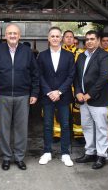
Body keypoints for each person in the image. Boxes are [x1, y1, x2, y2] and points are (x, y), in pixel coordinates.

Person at [0, 23, 39, 171]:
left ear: (19, 36)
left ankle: (19, 157)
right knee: (3, 128)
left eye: (15, 33)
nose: (12, 36)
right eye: (9, 33)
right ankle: (6, 157)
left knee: (21, 128)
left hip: (23, 95)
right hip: (3, 95)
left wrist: (34, 93)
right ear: (5, 36)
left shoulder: (27, 52)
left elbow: (35, 74)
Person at [73, 31, 108, 169]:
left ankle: (101, 155)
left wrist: (89, 94)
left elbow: (104, 77)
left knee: (101, 128)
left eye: (92, 39)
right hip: (83, 99)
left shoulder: (104, 55)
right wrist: (78, 92)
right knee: (87, 126)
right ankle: (90, 152)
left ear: (98, 41)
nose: (89, 41)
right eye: (87, 39)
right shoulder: (81, 56)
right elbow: (76, 76)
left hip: (99, 99)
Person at [37, 27, 75, 167]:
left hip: (63, 96)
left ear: (61, 38)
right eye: (52, 36)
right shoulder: (42, 55)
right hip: (47, 96)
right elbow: (39, 75)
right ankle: (47, 152)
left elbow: (71, 76)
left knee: (65, 125)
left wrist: (59, 92)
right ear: (48, 38)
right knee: (47, 125)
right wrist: (49, 92)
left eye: (57, 36)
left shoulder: (69, 55)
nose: (54, 38)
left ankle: (65, 153)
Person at [62, 30, 84, 139]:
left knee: (77, 112)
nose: (69, 39)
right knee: (59, 111)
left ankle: (78, 134)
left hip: (77, 86)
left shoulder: (81, 53)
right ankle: (57, 134)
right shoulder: (59, 51)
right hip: (63, 86)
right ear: (63, 39)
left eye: (71, 37)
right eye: (67, 37)